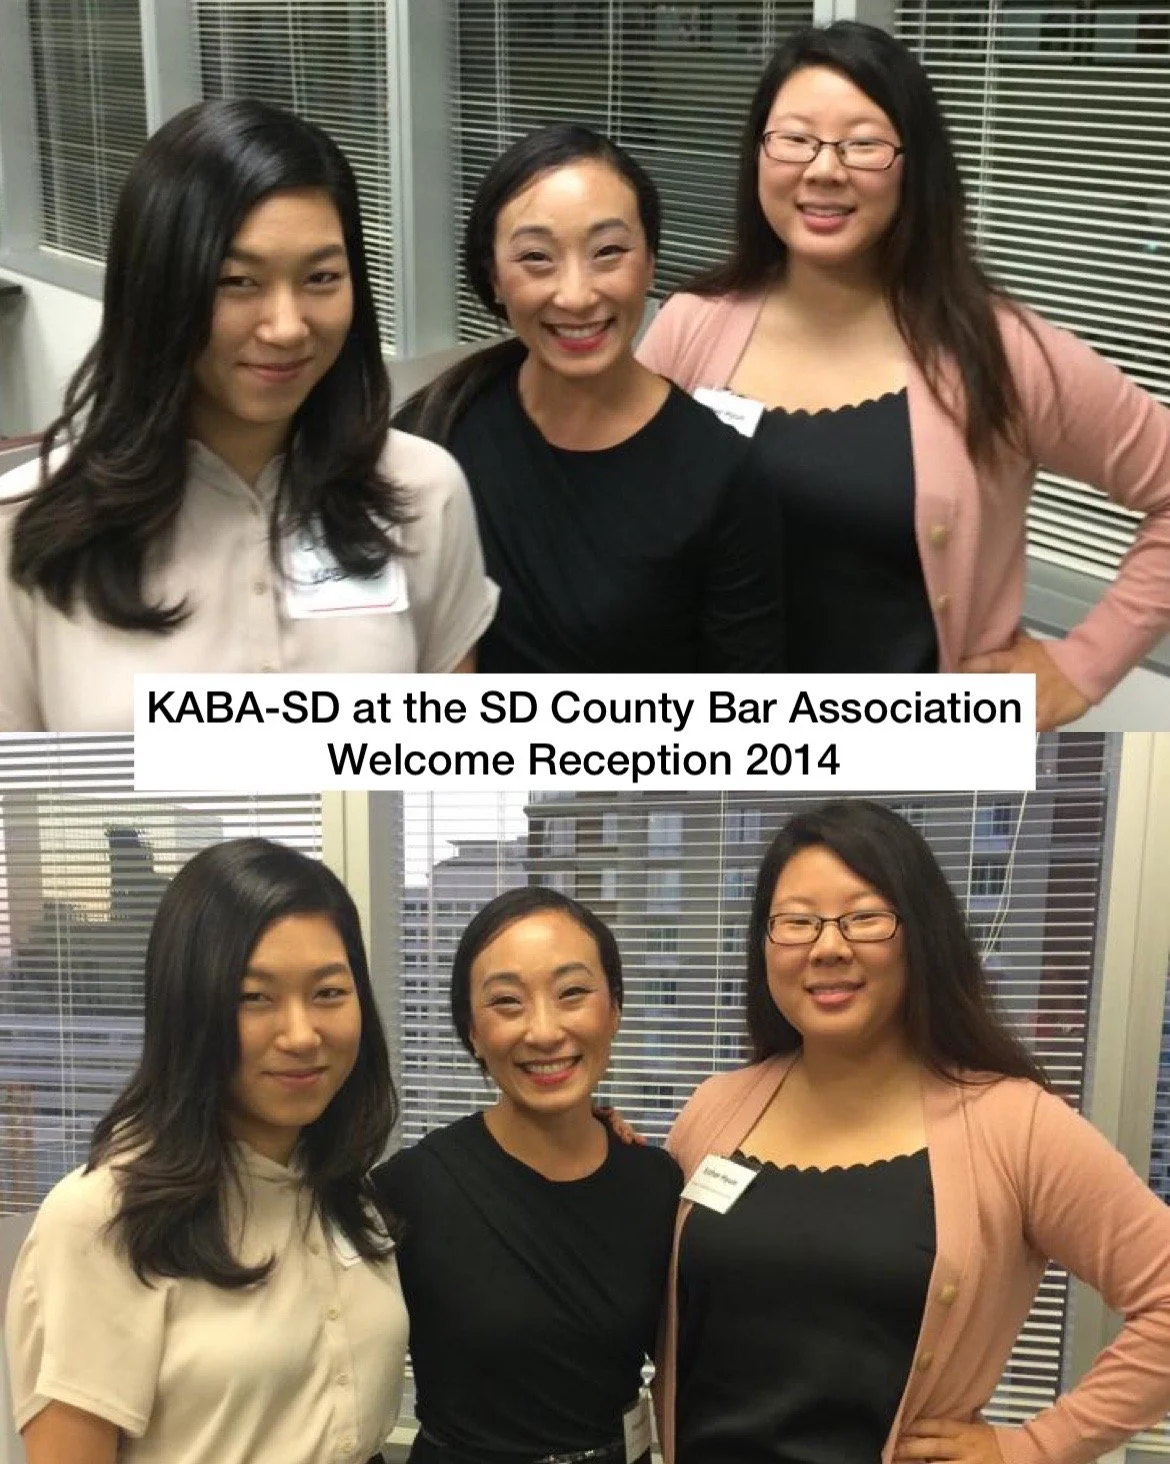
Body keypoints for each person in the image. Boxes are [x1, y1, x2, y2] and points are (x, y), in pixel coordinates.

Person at [637, 22, 1170, 728]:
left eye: (863, 144)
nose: (824, 169)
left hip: (917, 764)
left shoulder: (999, 351)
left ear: (914, 164)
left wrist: (1084, 665)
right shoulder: (689, 325)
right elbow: (625, 515)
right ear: (758, 153)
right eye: (794, 138)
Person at [658, 799, 1170, 1464]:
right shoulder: (713, 1110)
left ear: (919, 933)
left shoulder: (1014, 1125)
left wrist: (1037, 1448)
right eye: (797, 922)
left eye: (864, 918)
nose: (829, 947)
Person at [0, 100, 497, 732]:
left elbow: (449, 779)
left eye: (321, 277)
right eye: (238, 282)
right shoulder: (23, 528)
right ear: (159, 288)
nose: (287, 327)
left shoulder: (424, 492)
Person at [5, 838, 408, 1464]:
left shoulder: (340, 1190)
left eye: (328, 992)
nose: (302, 1034)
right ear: (188, 1009)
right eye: (254, 997)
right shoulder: (103, 1218)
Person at [394, 124, 784, 673]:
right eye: (536, 258)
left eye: (608, 252)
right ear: (494, 278)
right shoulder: (436, 427)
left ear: (650, 261)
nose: (576, 295)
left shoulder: (722, 474)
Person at [371, 887, 682, 1464]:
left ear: (613, 1009)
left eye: (572, 993)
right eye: (507, 1003)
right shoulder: (409, 1190)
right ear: (471, 1032)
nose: (543, 1031)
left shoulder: (658, 1183)